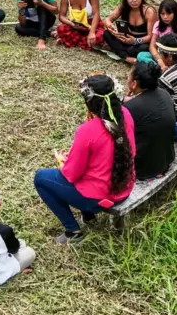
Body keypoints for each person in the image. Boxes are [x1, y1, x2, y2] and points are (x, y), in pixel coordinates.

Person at [34, 74, 135, 245]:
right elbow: (128, 152)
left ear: (89, 104)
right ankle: (88, 217)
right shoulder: (126, 114)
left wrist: (62, 161)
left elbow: (72, 174)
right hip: (125, 188)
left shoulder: (87, 130)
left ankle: (73, 231)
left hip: (97, 199)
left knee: (41, 178)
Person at [123, 60, 176, 180]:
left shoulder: (130, 108)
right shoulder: (165, 94)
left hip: (142, 168)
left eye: (129, 76)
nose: (127, 77)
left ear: (134, 83)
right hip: (166, 159)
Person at [103, 0, 157, 64]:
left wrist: (135, 41)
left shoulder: (149, 12)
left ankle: (121, 53)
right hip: (125, 38)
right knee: (106, 34)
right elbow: (107, 19)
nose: (134, 0)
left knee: (144, 48)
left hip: (140, 42)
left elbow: (150, 36)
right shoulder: (123, 7)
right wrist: (112, 30)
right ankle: (127, 57)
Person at [149, 0, 177, 66]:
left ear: (175, 13)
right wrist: (160, 61)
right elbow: (152, 46)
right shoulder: (158, 25)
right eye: (162, 14)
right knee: (142, 55)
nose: (165, 17)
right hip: (161, 56)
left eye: (169, 13)